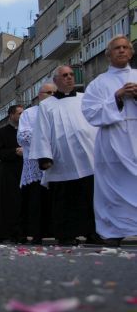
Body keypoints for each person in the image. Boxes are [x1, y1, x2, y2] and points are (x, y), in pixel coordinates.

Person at [30, 65, 97, 246]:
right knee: (64, 200)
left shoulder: (86, 99)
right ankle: (66, 234)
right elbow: (42, 131)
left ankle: (93, 232)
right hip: (62, 160)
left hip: (88, 156)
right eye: (64, 75)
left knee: (90, 197)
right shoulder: (46, 105)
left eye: (71, 75)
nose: (69, 78)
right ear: (56, 81)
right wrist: (44, 157)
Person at [81, 35, 137, 245]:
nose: (121, 51)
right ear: (108, 55)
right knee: (112, 188)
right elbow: (90, 112)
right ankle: (113, 232)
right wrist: (117, 97)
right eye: (116, 48)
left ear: (131, 52)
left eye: (125, 47)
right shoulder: (98, 83)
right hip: (112, 140)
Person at [17, 83, 54, 245]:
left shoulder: (60, 110)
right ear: (39, 95)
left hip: (60, 162)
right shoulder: (29, 113)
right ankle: (37, 233)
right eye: (48, 92)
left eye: (54, 92)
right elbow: (23, 136)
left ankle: (63, 233)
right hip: (36, 163)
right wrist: (46, 135)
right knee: (37, 201)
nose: (51, 95)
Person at [0, 105, 25, 243]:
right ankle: (14, 233)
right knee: (13, 203)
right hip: (11, 172)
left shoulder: (27, 129)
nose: (22, 116)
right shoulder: (2, 133)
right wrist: (15, 152)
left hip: (27, 170)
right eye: (20, 113)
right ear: (11, 115)